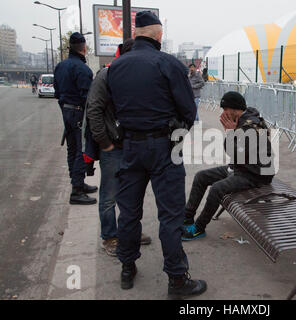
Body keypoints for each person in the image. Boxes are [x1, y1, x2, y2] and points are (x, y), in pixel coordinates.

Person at [107, 11, 207, 297]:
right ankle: (177, 280)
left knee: (128, 212)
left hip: (130, 147)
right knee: (171, 215)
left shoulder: (116, 67)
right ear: (158, 35)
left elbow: (112, 107)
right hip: (164, 147)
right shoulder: (168, 63)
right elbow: (189, 109)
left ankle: (127, 267)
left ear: (136, 34)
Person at [86, 39, 152, 257]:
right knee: (109, 195)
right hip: (113, 147)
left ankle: (130, 231)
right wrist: (105, 143)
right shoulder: (106, 76)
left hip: (133, 144)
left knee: (131, 193)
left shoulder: (135, 77)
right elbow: (93, 110)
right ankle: (110, 236)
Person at [182, 91, 275, 241]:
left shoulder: (250, 126)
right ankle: (187, 217)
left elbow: (236, 152)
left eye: (225, 109)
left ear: (235, 108)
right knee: (201, 177)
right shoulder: (242, 120)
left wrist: (231, 133)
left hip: (256, 175)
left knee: (217, 189)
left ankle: (199, 228)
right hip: (241, 167)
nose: (223, 113)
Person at [54, 32, 97, 205]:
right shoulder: (83, 69)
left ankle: (77, 182)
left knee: (72, 149)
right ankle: (77, 190)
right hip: (79, 113)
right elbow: (88, 98)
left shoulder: (60, 66)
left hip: (66, 111)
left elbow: (57, 92)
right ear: (84, 48)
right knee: (81, 150)